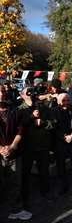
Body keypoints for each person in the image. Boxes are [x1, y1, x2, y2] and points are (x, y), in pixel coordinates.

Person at [0, 85, 28, 220]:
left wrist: (11, 146)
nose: (1, 94)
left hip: (13, 151)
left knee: (15, 182)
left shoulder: (13, 110)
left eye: (3, 91)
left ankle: (16, 210)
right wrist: (0, 149)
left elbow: (20, 129)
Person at [52, 93, 72, 194]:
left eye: (67, 100)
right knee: (61, 165)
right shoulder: (54, 111)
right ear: (59, 101)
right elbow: (54, 127)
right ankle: (63, 185)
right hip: (60, 142)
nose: (66, 102)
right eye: (63, 100)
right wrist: (63, 137)